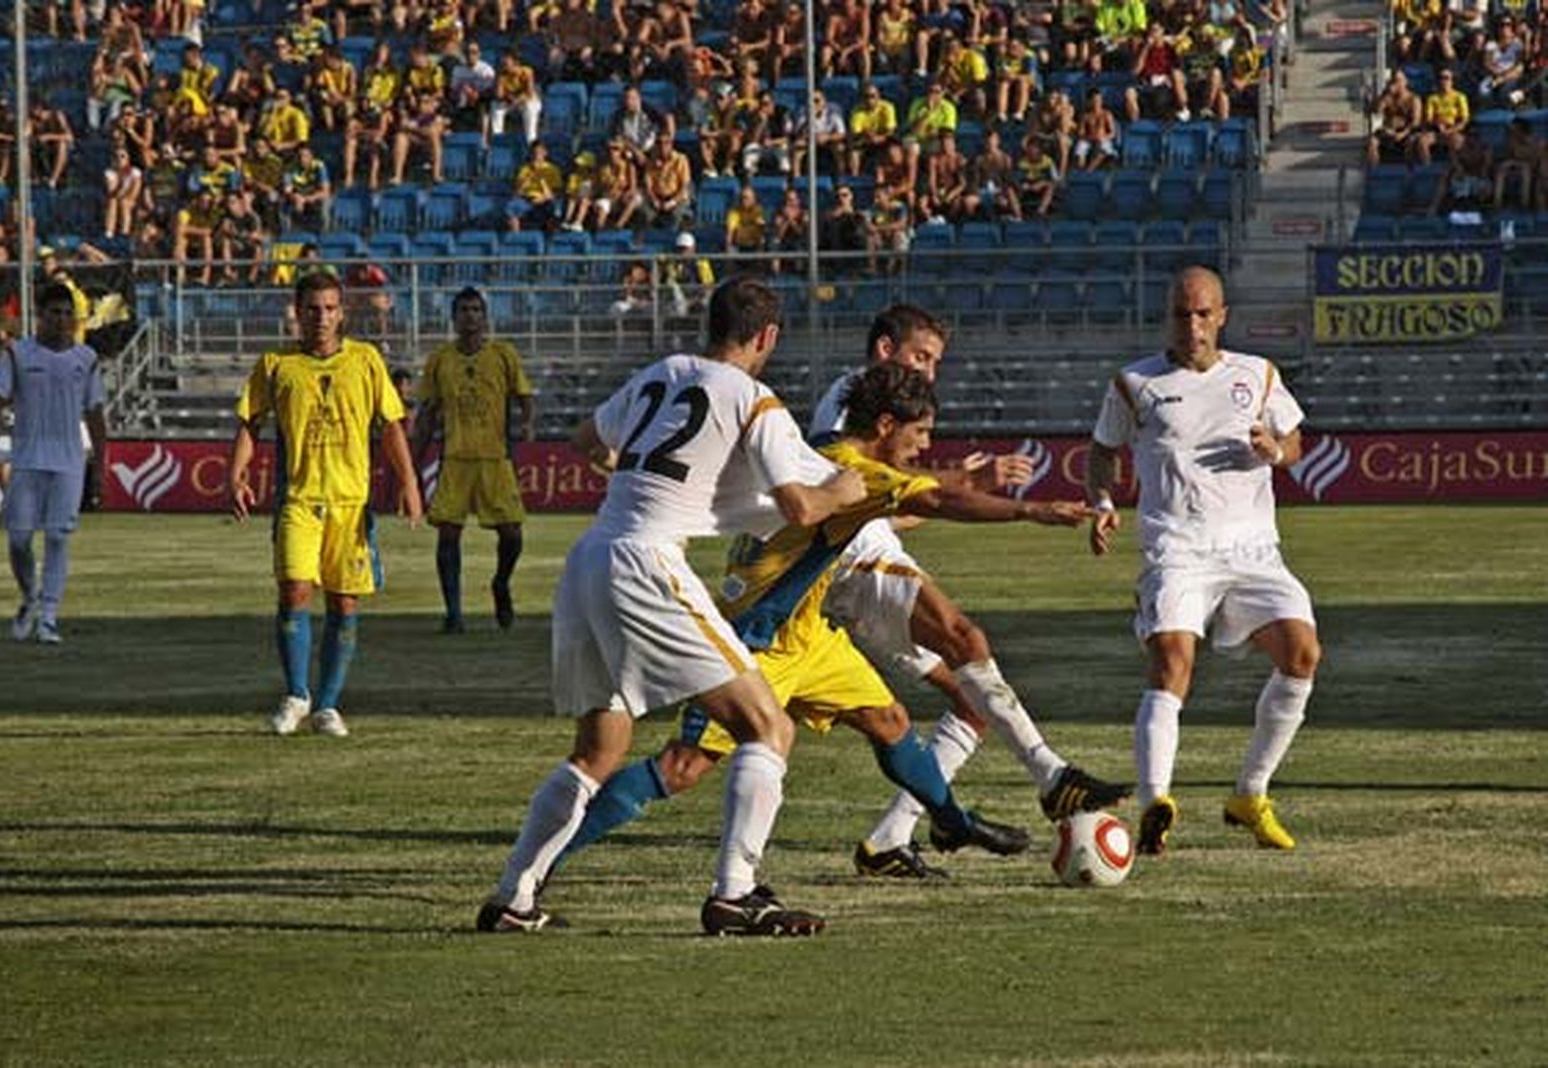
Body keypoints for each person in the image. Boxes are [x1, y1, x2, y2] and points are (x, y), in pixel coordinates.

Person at [554, 362, 1095, 877]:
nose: (925, 445)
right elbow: (936, 502)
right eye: (921, 432)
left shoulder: (816, 452)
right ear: (886, 425)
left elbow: (908, 503)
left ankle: (953, 824)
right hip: (758, 641)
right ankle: (549, 856)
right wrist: (1032, 510)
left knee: (891, 722)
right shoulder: (851, 470)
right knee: (682, 768)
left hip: (809, 633)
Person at [476, 277, 865, 935]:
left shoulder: (665, 371)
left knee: (600, 747)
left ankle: (513, 898)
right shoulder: (752, 397)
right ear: (766, 337)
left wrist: (649, 477)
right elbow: (801, 506)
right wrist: (844, 492)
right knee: (768, 726)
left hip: (591, 556)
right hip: (648, 561)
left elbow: (587, 439)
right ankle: (735, 895)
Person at [807, 305, 1130, 877]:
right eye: (920, 357)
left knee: (970, 700)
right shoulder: (851, 397)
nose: (929, 373)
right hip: (858, 565)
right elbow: (851, 489)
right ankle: (1052, 777)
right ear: (885, 351)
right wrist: (1007, 503)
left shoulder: (864, 405)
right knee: (965, 637)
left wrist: (951, 493)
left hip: (857, 560)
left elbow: (890, 503)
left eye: (935, 362)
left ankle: (889, 839)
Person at [1085, 266, 1323, 856]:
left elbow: (1294, 440)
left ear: (1221, 316)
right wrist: (1102, 500)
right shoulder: (1135, 383)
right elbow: (1100, 451)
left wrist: (1276, 450)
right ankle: (1154, 802)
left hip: (1253, 550)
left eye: (1201, 313)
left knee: (1303, 654)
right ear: (1167, 316)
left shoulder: (1258, 374)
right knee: (1172, 662)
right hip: (1177, 549)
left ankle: (1250, 793)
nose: (1190, 325)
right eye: (1180, 314)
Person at [228, 271, 423, 738]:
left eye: (330, 308)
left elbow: (392, 425)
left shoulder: (366, 360)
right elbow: (250, 422)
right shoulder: (276, 364)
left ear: (343, 313)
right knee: (294, 589)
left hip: (351, 503)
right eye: (312, 309)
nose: (321, 317)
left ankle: (329, 706)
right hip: (298, 499)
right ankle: (297, 695)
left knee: (344, 601)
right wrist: (235, 473)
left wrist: (409, 483)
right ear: (297, 312)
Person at [0, 282, 107, 645]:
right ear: (41, 315)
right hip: (28, 460)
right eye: (55, 313)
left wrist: (101, 465)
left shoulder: (87, 358)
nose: (62, 320)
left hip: (69, 462)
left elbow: (96, 414)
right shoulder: (18, 354)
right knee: (19, 539)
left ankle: (49, 616)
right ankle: (29, 596)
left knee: (57, 537)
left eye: (68, 313)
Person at [411, 288, 535, 633]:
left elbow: (524, 396)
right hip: (455, 459)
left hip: (495, 459)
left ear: (485, 317)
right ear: (454, 317)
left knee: (512, 534)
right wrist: (412, 461)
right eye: (464, 310)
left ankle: (501, 583)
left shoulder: (503, 355)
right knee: (448, 535)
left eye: (476, 310)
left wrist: (526, 423)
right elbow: (427, 415)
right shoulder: (440, 360)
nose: (470, 315)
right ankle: (454, 613)